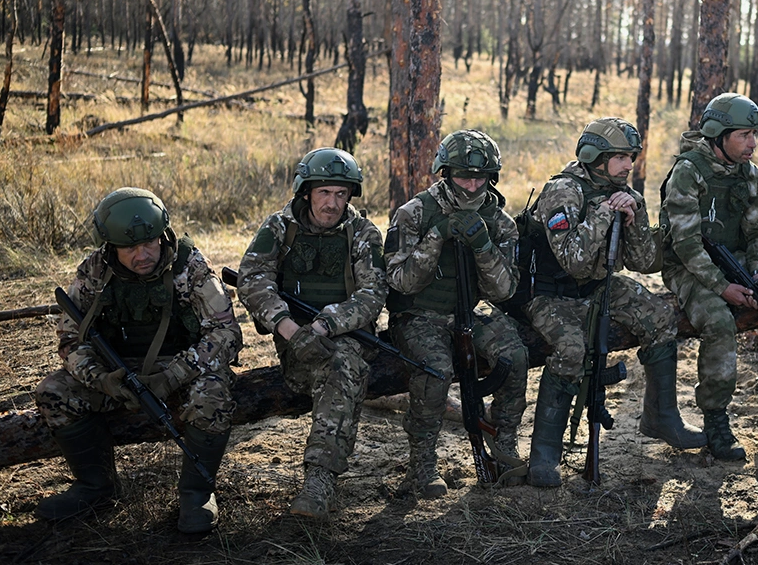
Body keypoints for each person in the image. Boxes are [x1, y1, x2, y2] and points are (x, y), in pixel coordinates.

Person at [35, 188, 241, 533]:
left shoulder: (189, 266)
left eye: (150, 244)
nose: (143, 254)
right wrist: (101, 379)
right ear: (110, 246)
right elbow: (71, 338)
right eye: (130, 248)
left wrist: (170, 378)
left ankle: (196, 492)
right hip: (116, 370)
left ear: (162, 235)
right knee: (54, 391)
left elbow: (226, 334)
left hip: (181, 366)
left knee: (212, 394)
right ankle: (96, 487)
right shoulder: (95, 271)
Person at [515, 118, 706, 487]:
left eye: (631, 156)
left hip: (597, 286)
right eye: (620, 157)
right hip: (550, 293)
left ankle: (661, 417)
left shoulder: (623, 192)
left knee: (660, 318)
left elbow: (644, 262)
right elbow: (572, 260)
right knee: (571, 348)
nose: (629, 165)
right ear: (596, 157)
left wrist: (634, 218)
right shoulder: (564, 191)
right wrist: (604, 213)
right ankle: (544, 454)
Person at [660, 93, 758, 462]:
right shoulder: (688, 171)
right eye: (744, 134)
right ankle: (715, 419)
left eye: (754, 134)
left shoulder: (750, 174)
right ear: (719, 134)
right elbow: (685, 243)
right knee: (717, 319)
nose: (753, 143)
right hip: (689, 265)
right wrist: (723, 287)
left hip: (739, 259)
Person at [238, 148, 386, 517]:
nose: (332, 203)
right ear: (306, 191)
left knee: (341, 364)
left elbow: (372, 294)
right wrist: (290, 329)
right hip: (294, 340)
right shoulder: (278, 228)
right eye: (324, 193)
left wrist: (325, 325)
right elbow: (253, 281)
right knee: (331, 363)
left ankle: (319, 480)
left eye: (341, 194)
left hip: (348, 337)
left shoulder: (363, 233)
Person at [384, 129, 527, 498]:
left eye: (480, 178)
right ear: (445, 173)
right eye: (463, 176)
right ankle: (422, 468)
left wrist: (483, 246)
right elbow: (401, 283)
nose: (472, 185)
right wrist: (436, 237)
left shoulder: (500, 222)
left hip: (472, 309)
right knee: (436, 370)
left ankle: (504, 445)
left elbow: (504, 290)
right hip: (419, 313)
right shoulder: (414, 213)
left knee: (514, 356)